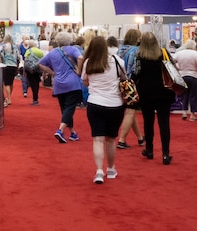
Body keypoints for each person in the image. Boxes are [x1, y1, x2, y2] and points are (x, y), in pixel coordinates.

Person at [81, 35, 125, 184]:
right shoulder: (118, 61)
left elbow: (85, 82)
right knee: (111, 139)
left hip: (95, 103)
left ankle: (99, 171)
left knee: (98, 139)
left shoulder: (89, 62)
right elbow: (124, 78)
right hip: (116, 104)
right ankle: (111, 169)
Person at [131, 32, 175, 164]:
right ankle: (166, 154)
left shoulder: (139, 56)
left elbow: (135, 73)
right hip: (163, 92)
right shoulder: (163, 52)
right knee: (164, 123)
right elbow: (172, 68)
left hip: (146, 92)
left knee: (148, 121)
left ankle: (149, 150)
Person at [39, 31, 83, 143]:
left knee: (65, 109)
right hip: (72, 83)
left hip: (58, 84)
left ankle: (73, 133)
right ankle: (60, 130)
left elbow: (40, 63)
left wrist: (53, 72)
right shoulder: (73, 49)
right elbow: (80, 58)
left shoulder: (53, 52)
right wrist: (79, 71)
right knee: (69, 108)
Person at [116, 28, 144, 149]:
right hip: (130, 84)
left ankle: (140, 138)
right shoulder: (136, 50)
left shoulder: (119, 50)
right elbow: (133, 69)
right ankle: (122, 140)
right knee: (130, 111)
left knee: (129, 111)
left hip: (119, 82)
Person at [174, 39, 197, 119]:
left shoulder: (179, 53)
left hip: (182, 76)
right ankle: (192, 115)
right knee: (193, 96)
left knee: (184, 95)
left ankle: (184, 113)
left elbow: (172, 61)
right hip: (194, 76)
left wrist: (177, 69)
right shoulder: (195, 54)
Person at [1, 35, 20, 106]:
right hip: (14, 66)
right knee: (11, 82)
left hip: (6, 65)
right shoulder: (15, 47)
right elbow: (18, 57)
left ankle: (9, 98)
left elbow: (1, 54)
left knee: (6, 83)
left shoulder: (3, 46)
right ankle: (9, 97)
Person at [24, 39, 44, 105]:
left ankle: (35, 98)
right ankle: (36, 98)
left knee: (32, 84)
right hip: (38, 69)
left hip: (30, 69)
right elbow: (43, 60)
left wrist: (24, 70)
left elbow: (25, 60)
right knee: (37, 83)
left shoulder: (28, 51)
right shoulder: (40, 51)